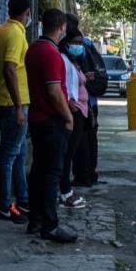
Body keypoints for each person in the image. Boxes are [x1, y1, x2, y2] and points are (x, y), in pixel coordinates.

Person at [24, 9, 77, 243]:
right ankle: (50, 224)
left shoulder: (33, 49)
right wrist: (68, 117)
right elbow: (55, 92)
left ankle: (35, 219)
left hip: (37, 117)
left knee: (38, 170)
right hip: (51, 119)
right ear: (62, 26)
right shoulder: (51, 54)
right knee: (52, 173)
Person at [0, 0, 32, 224]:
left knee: (18, 153)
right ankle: (4, 205)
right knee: (8, 155)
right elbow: (9, 68)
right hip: (12, 102)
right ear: (25, 13)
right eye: (28, 15)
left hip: (4, 100)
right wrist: (18, 107)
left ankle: (22, 200)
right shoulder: (16, 34)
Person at [66, 14, 107, 186]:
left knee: (80, 142)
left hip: (81, 104)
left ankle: (83, 176)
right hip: (90, 103)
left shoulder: (70, 48)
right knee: (90, 140)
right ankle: (90, 174)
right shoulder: (88, 45)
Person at [59, 28, 91, 209]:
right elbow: (63, 86)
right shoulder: (64, 60)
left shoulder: (73, 61)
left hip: (79, 110)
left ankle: (66, 190)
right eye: (76, 42)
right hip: (73, 111)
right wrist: (70, 109)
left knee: (69, 153)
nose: (79, 46)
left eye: (81, 43)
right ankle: (64, 191)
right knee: (67, 154)